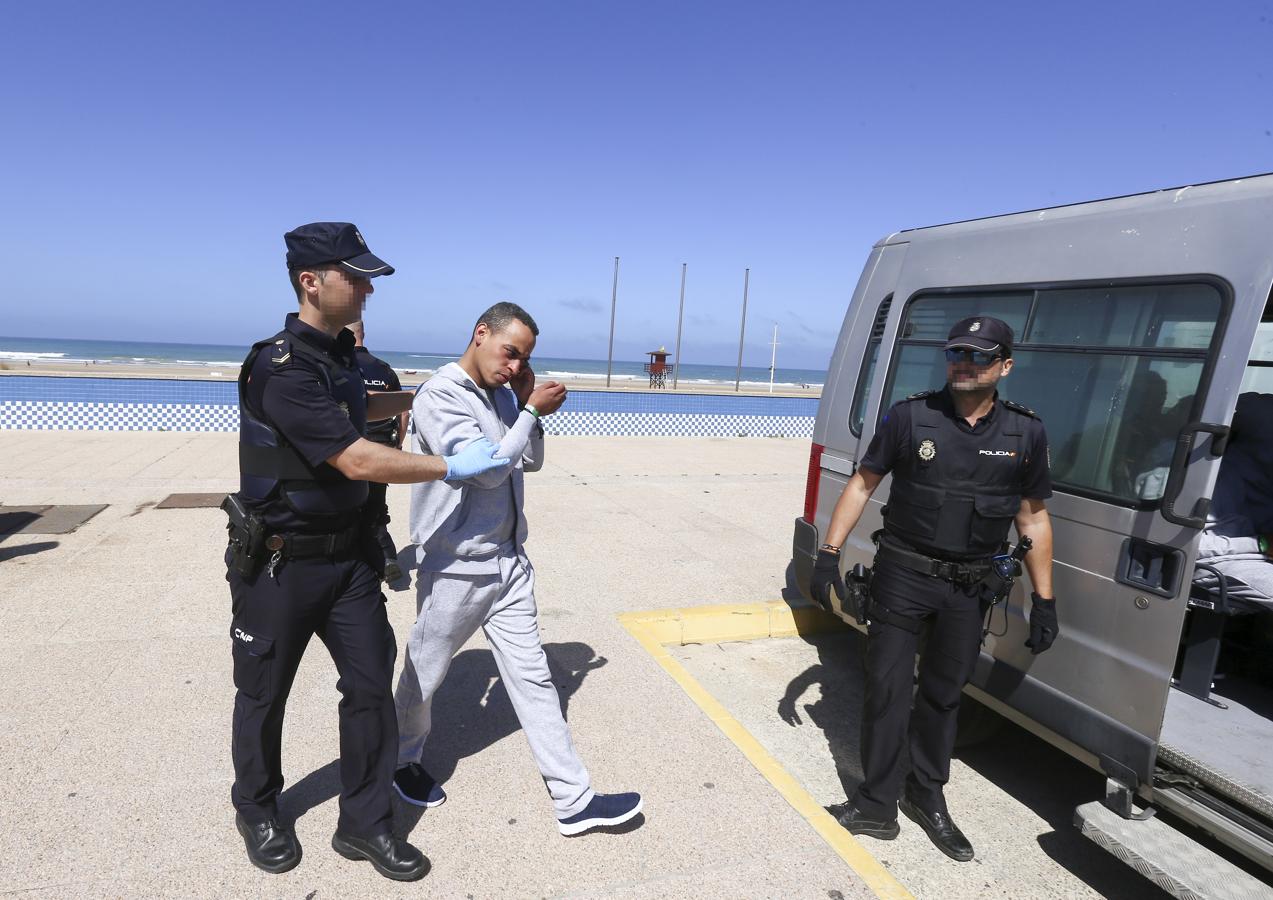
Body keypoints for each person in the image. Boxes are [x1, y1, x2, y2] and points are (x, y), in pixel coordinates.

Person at [226, 222, 510, 882]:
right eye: (355, 276)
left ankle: (364, 824)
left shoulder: (344, 364)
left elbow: (366, 404)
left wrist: (441, 396)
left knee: (369, 694)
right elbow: (354, 456)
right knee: (264, 695)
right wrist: (448, 465)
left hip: (350, 562)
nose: (366, 288)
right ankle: (257, 808)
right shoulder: (281, 369)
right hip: (280, 563)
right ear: (311, 281)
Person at [810, 315, 1057, 862]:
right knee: (887, 690)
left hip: (970, 589)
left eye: (979, 356)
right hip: (903, 576)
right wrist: (828, 555)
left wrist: (1044, 600)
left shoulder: (1025, 432)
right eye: (955, 354)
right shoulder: (910, 417)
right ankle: (876, 804)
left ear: (1005, 366)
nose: (964, 364)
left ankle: (927, 796)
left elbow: (1033, 519)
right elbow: (862, 485)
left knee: (945, 697)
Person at [392, 301, 644, 836]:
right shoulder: (441, 395)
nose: (513, 366)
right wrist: (528, 410)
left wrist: (523, 407)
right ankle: (398, 760)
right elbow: (482, 471)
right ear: (480, 333)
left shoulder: (499, 393)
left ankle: (573, 800)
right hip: (458, 568)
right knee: (425, 672)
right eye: (510, 352)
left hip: (507, 563)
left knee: (534, 678)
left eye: (523, 358)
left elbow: (526, 459)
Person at [1195, 392, 1273, 606]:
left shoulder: (1259, 477)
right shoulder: (1199, 478)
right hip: (1221, 560)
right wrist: (1261, 544)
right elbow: (1188, 546)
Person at [350, 319, 409, 582]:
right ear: (363, 334)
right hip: (383, 445)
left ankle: (368, 560)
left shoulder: (340, 366)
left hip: (352, 448)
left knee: (349, 507)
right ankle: (387, 557)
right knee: (375, 504)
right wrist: (397, 445)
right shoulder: (384, 369)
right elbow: (402, 410)